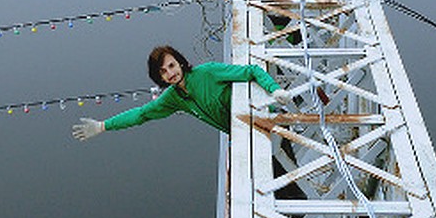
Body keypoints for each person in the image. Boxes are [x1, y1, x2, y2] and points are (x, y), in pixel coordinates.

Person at [72, 45, 291, 140]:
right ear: (159, 77)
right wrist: (102, 126)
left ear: (180, 63)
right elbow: (142, 114)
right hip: (245, 136)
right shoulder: (174, 98)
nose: (170, 73)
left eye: (171, 65)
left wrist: (275, 89)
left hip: (271, 121)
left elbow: (250, 71)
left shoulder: (208, 72)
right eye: (163, 71)